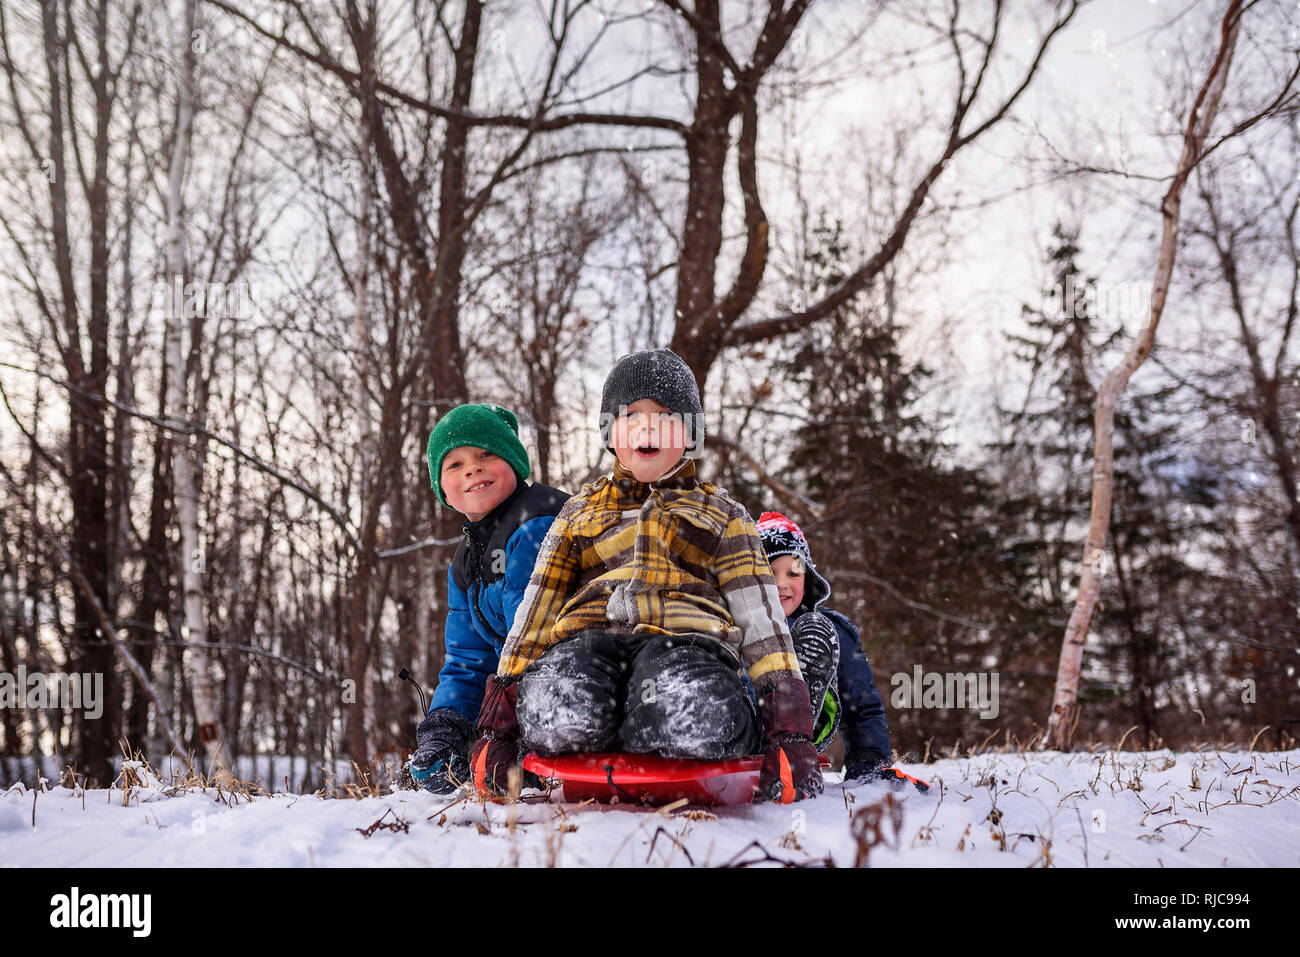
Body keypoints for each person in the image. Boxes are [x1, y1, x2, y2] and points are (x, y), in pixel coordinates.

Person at [469, 348, 823, 803]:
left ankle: (680, 716)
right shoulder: (580, 514)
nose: (648, 426)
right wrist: (497, 727)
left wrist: (789, 732)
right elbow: (536, 615)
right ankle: (596, 716)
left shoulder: (723, 515)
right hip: (591, 645)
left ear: (690, 433)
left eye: (665, 415)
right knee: (562, 697)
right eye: (631, 414)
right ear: (610, 433)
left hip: (688, 643)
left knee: (681, 698)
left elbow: (760, 620)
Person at [408, 404, 569, 793]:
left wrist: (505, 732)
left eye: (486, 454)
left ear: (514, 462)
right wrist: (447, 729)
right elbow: (468, 660)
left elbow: (536, 642)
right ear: (442, 489)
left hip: (570, 685)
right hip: (523, 698)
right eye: (454, 464)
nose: (472, 469)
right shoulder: (465, 565)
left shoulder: (539, 524)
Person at [756, 511, 894, 781]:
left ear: (807, 582)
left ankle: (793, 727)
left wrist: (869, 763)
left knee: (815, 635)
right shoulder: (731, 625)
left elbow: (861, 707)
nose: (782, 583)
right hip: (748, 724)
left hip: (808, 729)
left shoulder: (833, 633)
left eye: (793, 572)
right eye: (770, 572)